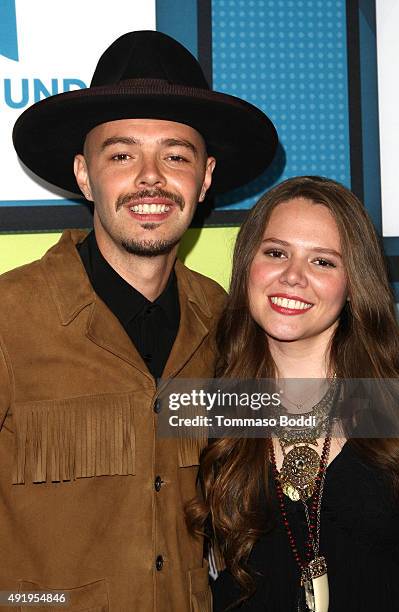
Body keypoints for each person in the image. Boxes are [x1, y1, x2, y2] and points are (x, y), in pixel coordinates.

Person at [0, 31, 278, 611]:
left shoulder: (228, 326)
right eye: (122, 155)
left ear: (203, 178)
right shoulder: (9, 318)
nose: (150, 178)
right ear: (84, 174)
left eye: (175, 155)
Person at [188, 176, 399, 611]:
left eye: (323, 262)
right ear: (248, 265)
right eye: (275, 253)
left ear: (353, 284)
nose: (292, 276)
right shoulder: (203, 403)